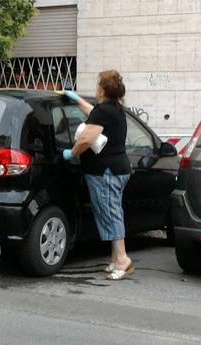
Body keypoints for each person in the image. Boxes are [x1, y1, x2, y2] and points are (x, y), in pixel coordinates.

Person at [62, 70, 133, 280]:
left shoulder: (104, 111)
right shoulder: (115, 109)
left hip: (105, 171)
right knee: (113, 211)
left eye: (97, 85)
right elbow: (93, 112)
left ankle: (122, 259)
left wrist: (72, 153)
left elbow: (86, 139)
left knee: (111, 213)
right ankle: (115, 259)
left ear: (102, 89)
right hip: (118, 168)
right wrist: (77, 100)